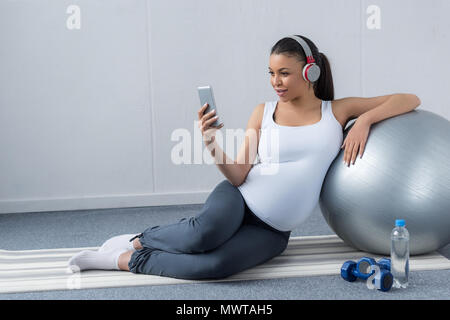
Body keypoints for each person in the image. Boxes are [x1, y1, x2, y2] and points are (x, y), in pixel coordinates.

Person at [67, 35, 420, 279]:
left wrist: (366, 121)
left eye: (284, 73)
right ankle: (140, 238)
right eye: (270, 73)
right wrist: (210, 143)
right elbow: (237, 175)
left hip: (274, 231)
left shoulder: (337, 111)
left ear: (309, 72)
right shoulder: (262, 113)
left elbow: (408, 98)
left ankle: (124, 258)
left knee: (214, 267)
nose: (275, 82)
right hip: (239, 197)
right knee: (204, 236)